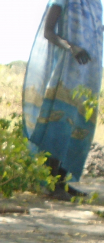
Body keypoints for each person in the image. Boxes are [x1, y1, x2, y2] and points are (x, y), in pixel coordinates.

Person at [23, 0, 103, 200]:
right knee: (58, 124)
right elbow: (48, 32)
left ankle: (63, 182)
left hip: (89, 74)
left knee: (78, 126)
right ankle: (50, 184)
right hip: (66, 71)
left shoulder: (96, 4)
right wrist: (71, 47)